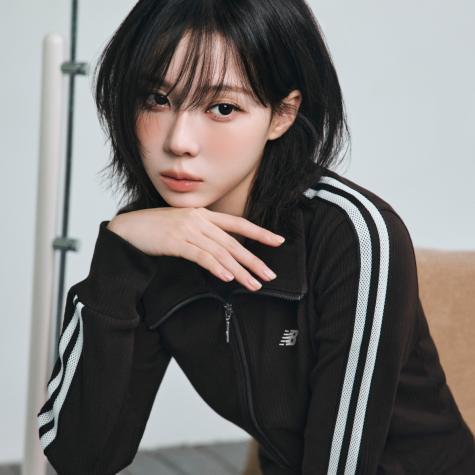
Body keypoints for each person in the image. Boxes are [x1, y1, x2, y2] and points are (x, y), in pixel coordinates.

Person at [36, 0, 475, 474]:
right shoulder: (152, 242)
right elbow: (81, 457)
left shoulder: (354, 235)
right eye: (158, 99)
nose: (179, 141)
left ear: (282, 115)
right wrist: (117, 256)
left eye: (222, 108)